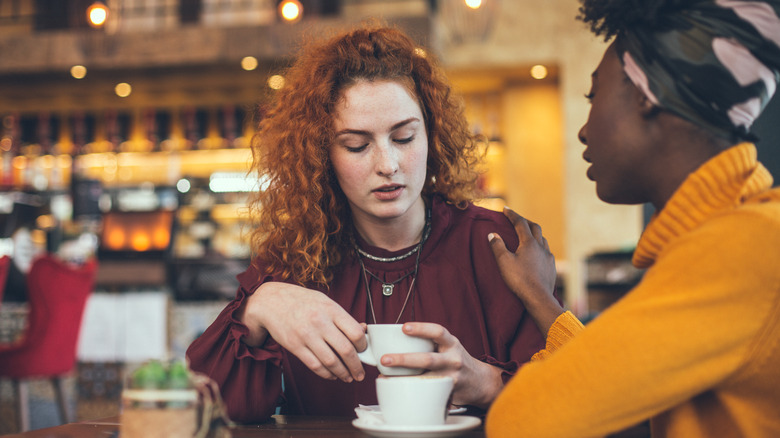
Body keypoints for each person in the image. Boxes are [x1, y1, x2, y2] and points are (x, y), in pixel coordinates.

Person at [186, 24, 547, 423]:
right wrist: (259, 308)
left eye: (405, 138)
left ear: (432, 134)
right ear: (322, 155)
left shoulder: (495, 245)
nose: (387, 165)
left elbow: (572, 400)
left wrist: (485, 381)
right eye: (357, 145)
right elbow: (207, 409)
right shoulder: (295, 259)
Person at [485, 0, 780, 437]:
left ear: (646, 96)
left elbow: (522, 420)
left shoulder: (740, 250)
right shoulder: (737, 234)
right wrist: (539, 296)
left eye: (594, 94)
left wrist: (494, 382)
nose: (584, 130)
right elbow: (617, 372)